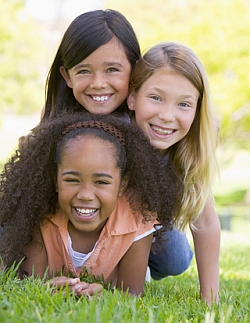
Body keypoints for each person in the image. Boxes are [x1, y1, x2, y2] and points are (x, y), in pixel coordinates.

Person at [0, 112, 182, 297]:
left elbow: (132, 293)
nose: (85, 195)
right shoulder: (39, 212)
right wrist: (46, 288)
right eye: (72, 180)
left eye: (101, 182)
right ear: (56, 181)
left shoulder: (137, 219)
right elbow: (31, 282)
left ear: (122, 184)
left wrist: (106, 296)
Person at [127, 42, 220, 304]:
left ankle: (140, 263)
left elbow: (207, 223)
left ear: (197, 109)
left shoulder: (190, 148)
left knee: (175, 258)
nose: (167, 116)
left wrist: (209, 299)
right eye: (156, 98)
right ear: (133, 97)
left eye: (184, 104)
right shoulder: (114, 133)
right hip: (100, 218)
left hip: (149, 221)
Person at [41, 9, 140, 120]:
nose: (98, 84)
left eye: (112, 69)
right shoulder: (53, 120)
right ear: (67, 76)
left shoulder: (147, 123)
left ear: (135, 71)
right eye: (84, 71)